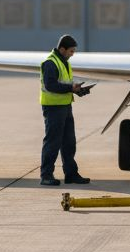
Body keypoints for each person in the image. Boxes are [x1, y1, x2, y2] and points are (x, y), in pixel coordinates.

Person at [39, 34, 92, 186]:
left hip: (65, 106)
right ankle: (46, 175)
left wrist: (78, 90)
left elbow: (65, 84)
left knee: (69, 142)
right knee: (53, 142)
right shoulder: (50, 63)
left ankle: (71, 174)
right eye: (71, 51)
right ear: (62, 49)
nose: (72, 54)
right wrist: (71, 88)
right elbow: (51, 86)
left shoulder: (64, 62)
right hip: (53, 108)